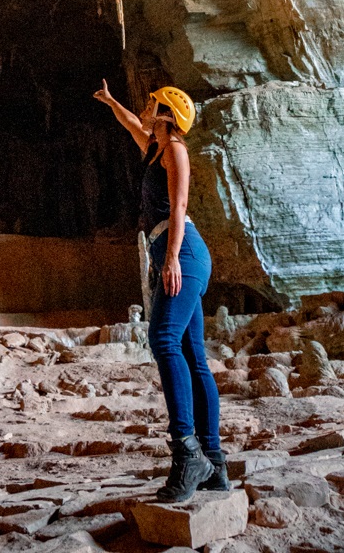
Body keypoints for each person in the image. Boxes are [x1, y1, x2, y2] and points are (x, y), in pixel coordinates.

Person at [93, 80, 228, 502]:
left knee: (163, 339)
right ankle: (214, 463)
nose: (146, 106)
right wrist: (112, 102)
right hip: (175, 249)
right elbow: (133, 123)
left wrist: (169, 260)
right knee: (193, 357)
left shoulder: (176, 151)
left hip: (183, 249)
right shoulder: (155, 147)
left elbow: (181, 205)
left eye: (153, 103)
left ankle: (187, 451)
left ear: (167, 114)